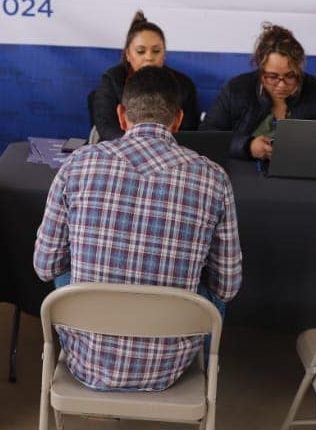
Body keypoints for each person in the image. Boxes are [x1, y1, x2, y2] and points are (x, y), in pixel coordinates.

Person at [33, 66, 242, 392]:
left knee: (65, 274)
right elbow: (227, 286)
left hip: (86, 361)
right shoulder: (214, 178)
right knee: (212, 293)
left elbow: (45, 266)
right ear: (178, 120)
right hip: (170, 370)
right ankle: (202, 369)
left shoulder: (77, 165)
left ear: (121, 115)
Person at [203, 23, 316, 160]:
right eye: (272, 77)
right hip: (244, 173)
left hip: (305, 171)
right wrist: (247, 146)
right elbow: (206, 138)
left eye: (290, 76)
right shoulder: (236, 90)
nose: (281, 84)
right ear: (260, 70)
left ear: (299, 69)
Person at [87, 10, 200, 141]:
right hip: (121, 147)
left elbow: (189, 132)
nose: (149, 57)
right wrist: (136, 146)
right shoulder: (112, 80)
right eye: (141, 51)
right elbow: (106, 127)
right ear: (128, 54)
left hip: (168, 151)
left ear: (164, 53)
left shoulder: (183, 85)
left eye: (156, 51)